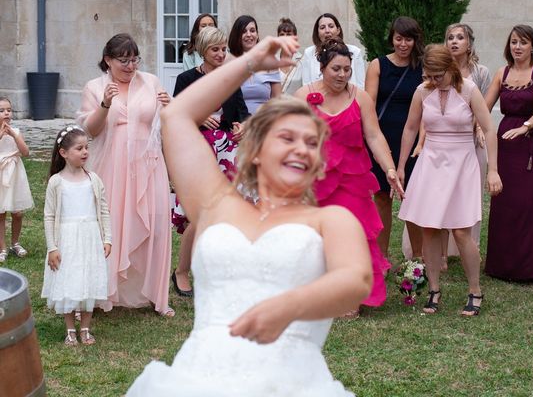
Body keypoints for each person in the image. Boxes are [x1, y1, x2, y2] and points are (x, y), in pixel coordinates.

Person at [127, 35, 371, 396]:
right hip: (198, 381)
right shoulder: (215, 204)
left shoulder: (331, 220)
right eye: (287, 138)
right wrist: (249, 63)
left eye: (311, 143)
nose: (301, 149)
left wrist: (289, 305)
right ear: (255, 151)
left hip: (291, 383)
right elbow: (176, 115)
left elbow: (355, 281)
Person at [295, 38, 404, 317]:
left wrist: (390, 168)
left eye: (347, 69)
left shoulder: (360, 97)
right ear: (322, 67)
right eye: (336, 69)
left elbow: (374, 136)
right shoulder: (303, 96)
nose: (343, 75)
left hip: (352, 181)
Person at [397, 44, 502, 316]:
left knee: (461, 230)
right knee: (429, 227)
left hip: (462, 163)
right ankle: (433, 289)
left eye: (437, 76)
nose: (432, 81)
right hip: (431, 162)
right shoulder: (422, 92)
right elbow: (410, 129)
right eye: (428, 76)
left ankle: (475, 290)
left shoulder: (468, 90)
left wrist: (493, 169)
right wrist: (400, 167)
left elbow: (489, 129)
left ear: (450, 69)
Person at [77, 33, 174, 317]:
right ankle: (106, 290)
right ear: (108, 60)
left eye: (134, 59)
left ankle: (153, 294)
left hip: (148, 163)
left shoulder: (151, 82)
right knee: (113, 224)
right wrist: (105, 105)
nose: (131, 66)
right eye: (124, 61)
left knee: (155, 223)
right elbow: (90, 132)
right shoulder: (95, 87)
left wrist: (168, 108)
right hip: (111, 164)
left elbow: (164, 125)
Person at [171, 27, 249, 297]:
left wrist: (241, 128)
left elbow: (243, 114)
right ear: (203, 50)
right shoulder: (186, 79)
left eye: (223, 49)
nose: (220, 54)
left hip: (227, 154)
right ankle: (181, 271)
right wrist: (198, 115)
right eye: (215, 49)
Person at [484, 25, 533, 281]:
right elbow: (484, 105)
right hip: (505, 139)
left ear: (532, 46)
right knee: (505, 201)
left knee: (530, 202)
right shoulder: (501, 72)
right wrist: (479, 127)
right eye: (514, 42)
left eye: (523, 42)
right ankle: (501, 265)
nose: (518, 47)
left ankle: (530, 267)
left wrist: (526, 126)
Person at [41, 126, 111, 346]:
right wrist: (52, 247)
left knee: (89, 281)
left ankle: (86, 328)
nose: (85, 152)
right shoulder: (56, 182)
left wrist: (107, 238)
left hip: (90, 238)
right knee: (68, 281)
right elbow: (49, 216)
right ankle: (70, 329)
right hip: (67, 239)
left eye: (86, 148)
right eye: (79, 148)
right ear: (64, 153)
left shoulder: (94, 180)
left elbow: (104, 210)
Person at [364, 16, 424, 260]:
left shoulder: (421, 67)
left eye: (408, 39)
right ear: (392, 38)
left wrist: (422, 141)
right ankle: (381, 257)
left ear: (415, 40)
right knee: (381, 198)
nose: (403, 44)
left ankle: (418, 258)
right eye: (398, 38)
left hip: (412, 140)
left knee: (412, 197)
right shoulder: (377, 65)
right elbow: (368, 104)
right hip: (382, 137)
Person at [440, 23, 493, 267]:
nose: (454, 41)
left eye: (460, 37)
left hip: (473, 140)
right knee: (442, 194)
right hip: (444, 142)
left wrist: (479, 127)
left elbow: (485, 109)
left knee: (470, 196)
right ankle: (440, 250)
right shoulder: (438, 70)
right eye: (450, 37)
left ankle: (470, 248)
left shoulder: (480, 72)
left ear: (469, 43)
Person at [0, 96, 33, 263]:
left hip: (15, 175)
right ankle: (2, 247)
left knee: (18, 212)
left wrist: (13, 135)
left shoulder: (16, 132)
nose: (6, 113)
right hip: (0, 175)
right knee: (1, 213)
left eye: (9, 110)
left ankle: (15, 242)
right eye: (1, 110)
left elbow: (26, 152)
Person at [229, 15, 281, 114]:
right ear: (237, 35)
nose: (249, 34)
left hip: (264, 121)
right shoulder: (229, 62)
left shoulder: (269, 61)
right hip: (237, 123)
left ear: (257, 35)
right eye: (244, 31)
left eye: (252, 30)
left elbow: (277, 99)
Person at [300, 13, 366, 89]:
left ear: (338, 30)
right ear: (317, 33)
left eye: (331, 26)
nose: (327, 31)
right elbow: (306, 85)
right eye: (322, 27)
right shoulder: (309, 53)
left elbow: (361, 85)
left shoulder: (354, 51)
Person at [277, 18, 304, 95]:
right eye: (282, 34)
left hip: (295, 105)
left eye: (288, 34)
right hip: (275, 106)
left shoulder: (303, 60)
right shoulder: (272, 60)